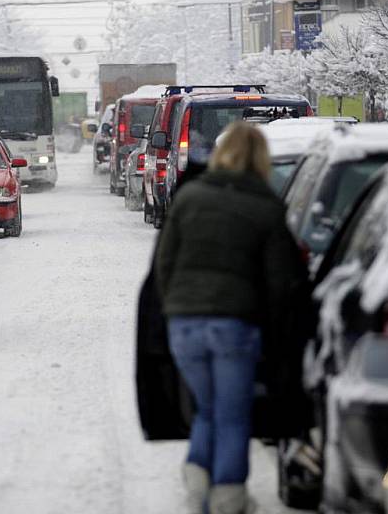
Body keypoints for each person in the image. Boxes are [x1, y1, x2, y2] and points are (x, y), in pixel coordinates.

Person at [154, 121, 311, 514]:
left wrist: (175, 306)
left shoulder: (189, 197)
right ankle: (227, 493)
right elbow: (281, 282)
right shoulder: (266, 207)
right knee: (233, 413)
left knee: (208, 409)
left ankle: (197, 479)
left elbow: (164, 264)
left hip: (184, 324)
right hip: (234, 327)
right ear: (261, 160)